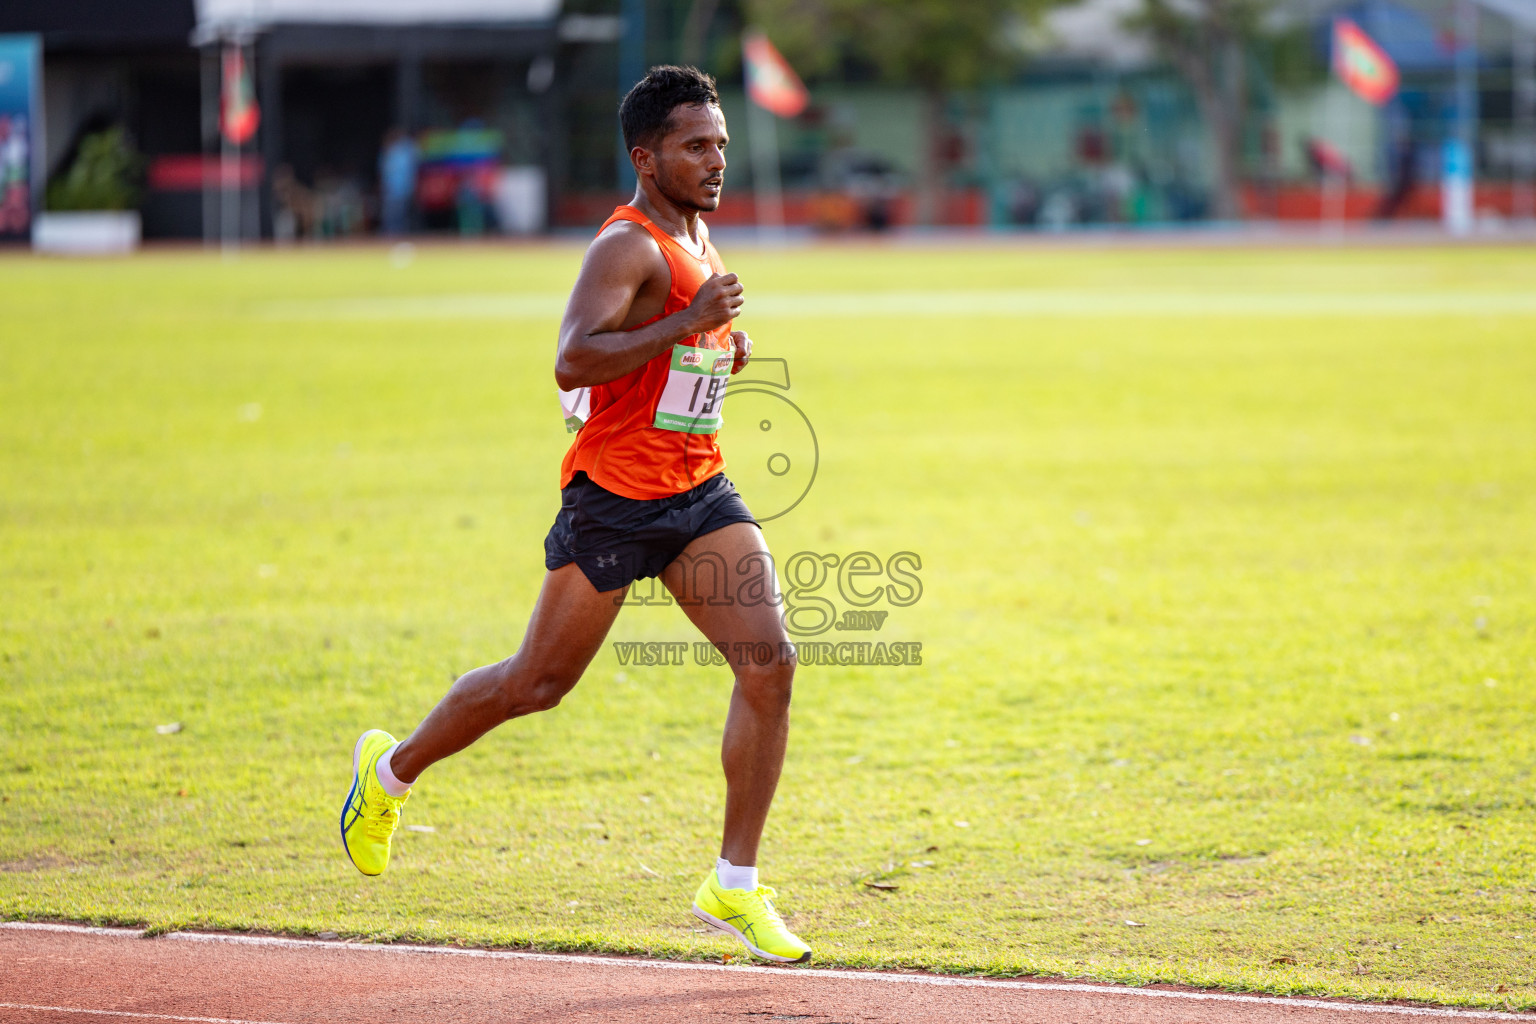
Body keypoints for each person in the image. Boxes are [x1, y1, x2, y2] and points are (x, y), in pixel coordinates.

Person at [339, 65, 811, 965]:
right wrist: (688, 323)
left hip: (699, 488)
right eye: (696, 146)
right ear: (647, 155)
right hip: (618, 501)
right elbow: (572, 361)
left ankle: (735, 885)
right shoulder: (625, 246)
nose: (717, 160)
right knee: (537, 685)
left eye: (720, 142)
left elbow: (668, 350)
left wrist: (717, 343)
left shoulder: (696, 232)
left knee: (771, 662)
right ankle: (389, 773)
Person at [378, 127, 418, 236]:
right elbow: (383, 173)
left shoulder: (405, 150)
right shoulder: (388, 152)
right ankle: (390, 236)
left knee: (401, 216)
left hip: (403, 189)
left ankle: (400, 236)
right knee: (391, 217)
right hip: (392, 190)